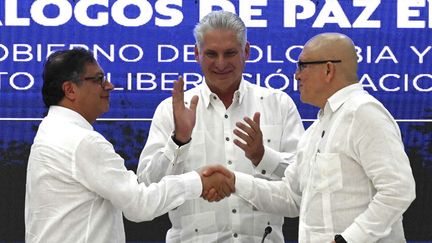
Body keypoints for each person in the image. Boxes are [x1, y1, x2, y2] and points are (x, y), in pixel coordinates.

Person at [206, 33, 416, 243]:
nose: (296, 75)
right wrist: (234, 182)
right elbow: (291, 196)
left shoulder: (363, 112)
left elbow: (398, 190)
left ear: (328, 69)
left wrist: (346, 240)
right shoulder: (315, 129)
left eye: (302, 66)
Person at [24, 48, 234, 243]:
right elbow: (139, 204)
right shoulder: (81, 140)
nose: (109, 86)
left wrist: (180, 139)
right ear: (70, 90)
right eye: (98, 79)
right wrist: (199, 181)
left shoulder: (51, 129)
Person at [137, 10, 304, 242]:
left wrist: (263, 156)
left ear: (246, 52)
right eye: (211, 54)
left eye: (230, 53)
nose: (221, 63)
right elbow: (146, 189)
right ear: (197, 54)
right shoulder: (172, 110)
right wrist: (179, 141)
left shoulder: (279, 104)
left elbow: (304, 187)